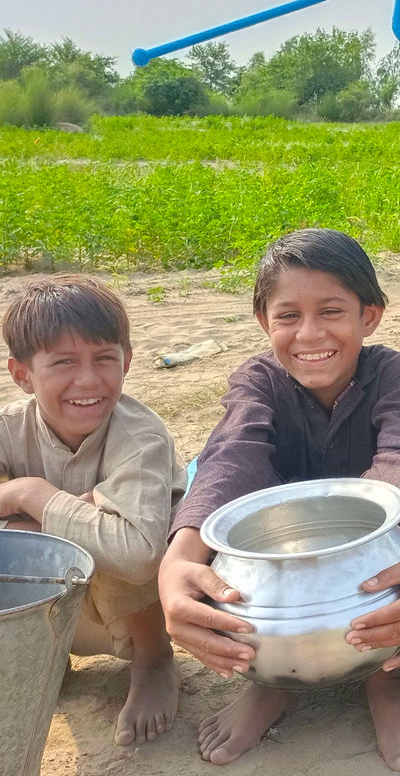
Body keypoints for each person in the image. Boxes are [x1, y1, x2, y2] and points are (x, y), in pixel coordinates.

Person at [158, 228, 400, 770]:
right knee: (224, 515)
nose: (309, 333)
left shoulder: (395, 374)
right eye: (288, 315)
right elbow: (231, 458)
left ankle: (389, 681)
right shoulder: (257, 381)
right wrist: (178, 558)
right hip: (278, 568)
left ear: (368, 316)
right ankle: (272, 682)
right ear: (264, 322)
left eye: (330, 311)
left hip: (376, 559)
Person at [0, 274, 184, 743]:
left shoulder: (138, 436)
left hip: (141, 608)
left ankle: (154, 660)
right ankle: (45, 655)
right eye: (63, 361)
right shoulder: (7, 429)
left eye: (104, 358)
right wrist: (67, 515)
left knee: (113, 534)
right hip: (59, 608)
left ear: (127, 361)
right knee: (82, 531)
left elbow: (137, 554)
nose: (87, 379)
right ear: (22, 375)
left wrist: (31, 495)